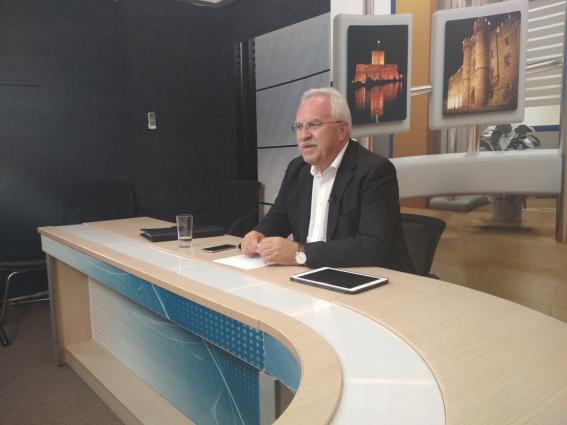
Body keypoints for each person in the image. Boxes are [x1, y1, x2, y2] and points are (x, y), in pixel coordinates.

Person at [241, 87, 415, 273]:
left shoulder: (374, 171)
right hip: (308, 275)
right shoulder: (297, 169)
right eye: (299, 127)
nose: (304, 135)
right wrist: (259, 233)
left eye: (314, 125)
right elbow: (278, 218)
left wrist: (299, 253)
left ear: (342, 130)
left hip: (365, 279)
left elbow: (372, 246)